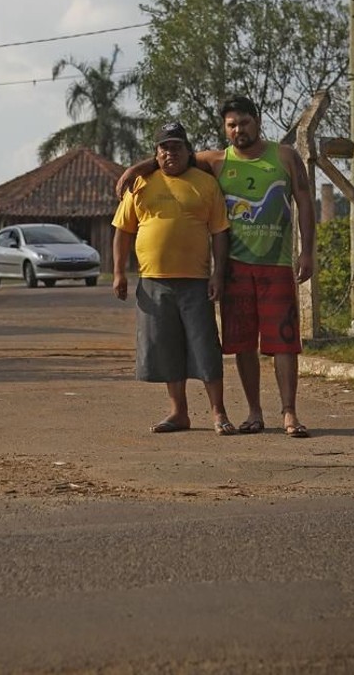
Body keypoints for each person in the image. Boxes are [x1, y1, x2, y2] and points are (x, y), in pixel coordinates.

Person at [116, 95, 315, 438]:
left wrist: (307, 252)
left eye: (245, 122)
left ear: (257, 121)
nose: (239, 130)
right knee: (243, 344)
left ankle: (289, 413)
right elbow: (173, 157)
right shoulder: (217, 161)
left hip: (276, 264)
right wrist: (137, 168)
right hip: (236, 267)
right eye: (232, 125)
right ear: (225, 128)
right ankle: (254, 413)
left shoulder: (284, 156)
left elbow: (305, 202)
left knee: (283, 343)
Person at [112, 120, 236, 436]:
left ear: (187, 150)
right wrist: (118, 273)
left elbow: (220, 232)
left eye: (177, 147)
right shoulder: (141, 184)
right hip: (153, 281)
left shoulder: (205, 183)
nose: (171, 153)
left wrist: (218, 274)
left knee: (205, 347)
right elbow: (123, 231)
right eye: (164, 147)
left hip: (196, 281)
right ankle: (179, 412)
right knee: (166, 349)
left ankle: (219, 413)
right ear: (156, 153)